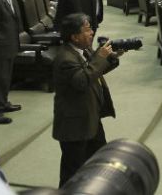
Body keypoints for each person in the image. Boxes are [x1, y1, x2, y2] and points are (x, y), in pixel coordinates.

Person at [52, 13, 123, 187]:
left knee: (100, 163)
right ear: (74, 36)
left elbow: (93, 72)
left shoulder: (83, 50)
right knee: (72, 173)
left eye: (91, 28)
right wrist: (100, 58)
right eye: (87, 30)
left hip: (91, 118)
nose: (91, 32)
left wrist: (111, 57)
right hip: (74, 125)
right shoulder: (65, 58)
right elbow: (82, 80)